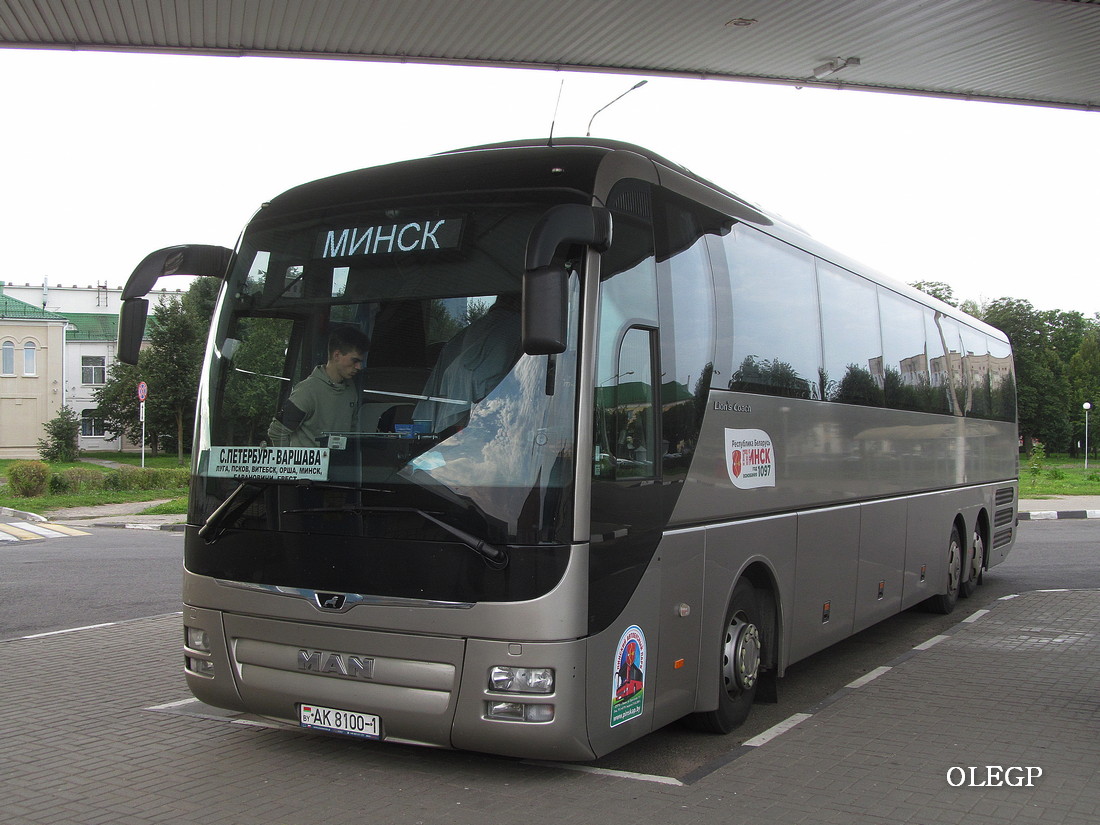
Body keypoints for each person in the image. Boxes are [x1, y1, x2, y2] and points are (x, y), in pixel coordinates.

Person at [412, 294, 522, 433]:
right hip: (480, 415)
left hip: (456, 413)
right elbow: (484, 381)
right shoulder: (513, 326)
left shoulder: (486, 325)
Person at [267, 327, 371, 447]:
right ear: (336, 355)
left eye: (360, 362)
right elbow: (277, 432)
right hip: (306, 464)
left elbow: (351, 432)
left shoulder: (350, 389)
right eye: (354, 361)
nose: (359, 367)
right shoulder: (308, 390)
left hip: (340, 464)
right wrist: (287, 463)